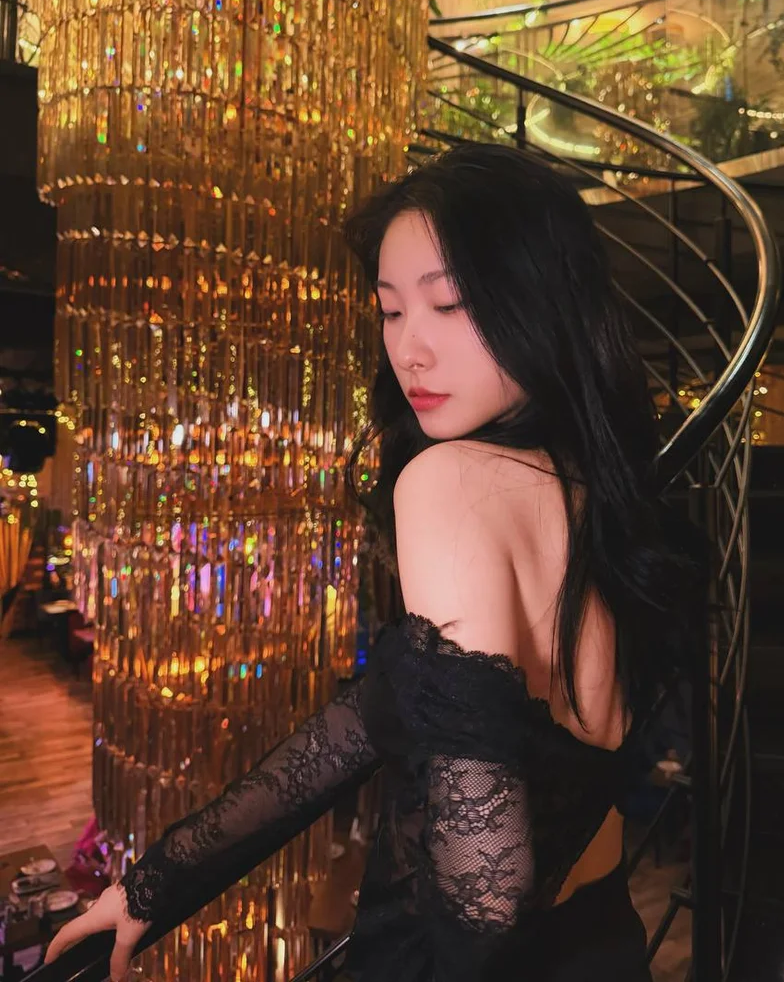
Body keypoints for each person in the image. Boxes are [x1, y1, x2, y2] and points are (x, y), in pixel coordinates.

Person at [46, 143, 693, 981]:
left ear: (542, 301)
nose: (410, 348)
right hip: (604, 942)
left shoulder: (449, 483)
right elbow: (361, 726)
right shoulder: (593, 490)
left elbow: (484, 902)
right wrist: (159, 881)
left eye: (449, 304)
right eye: (390, 311)